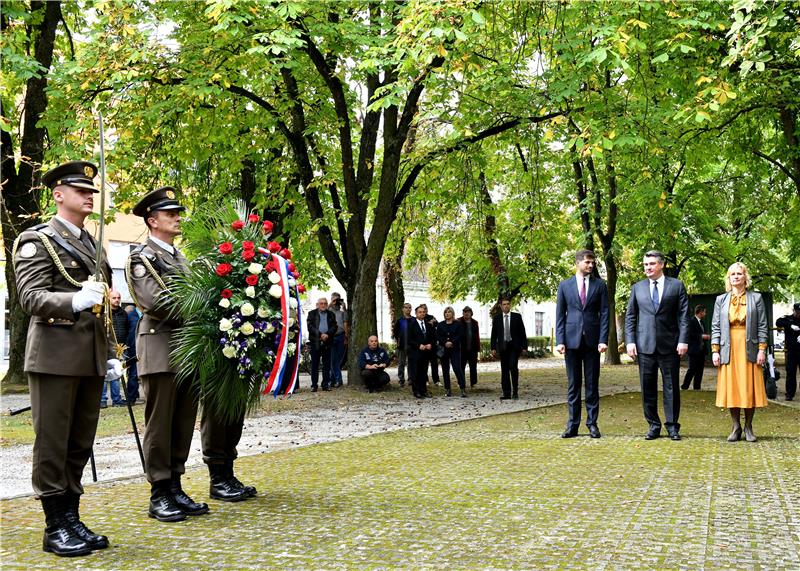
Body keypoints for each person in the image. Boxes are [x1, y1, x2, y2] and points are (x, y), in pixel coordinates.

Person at [13, 160, 117, 556]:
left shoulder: (93, 243)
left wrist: (109, 352)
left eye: (92, 191)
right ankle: (54, 524)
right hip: (54, 358)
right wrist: (74, 299)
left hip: (88, 358)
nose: (90, 196)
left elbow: (101, 307)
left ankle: (72, 517)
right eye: (81, 190)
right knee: (53, 443)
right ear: (58, 194)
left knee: (79, 443)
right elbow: (31, 298)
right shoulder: (36, 240)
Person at [127, 187, 209, 521]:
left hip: (185, 349)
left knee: (183, 421)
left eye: (178, 213)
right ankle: (159, 491)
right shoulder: (141, 257)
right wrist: (202, 305)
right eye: (170, 213)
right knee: (160, 423)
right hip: (160, 347)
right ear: (152, 220)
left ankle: (175, 485)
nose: (177, 218)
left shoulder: (179, 258)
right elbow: (155, 303)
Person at [625, 250, 690, 441]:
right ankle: (653, 425)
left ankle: (672, 426)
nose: (648, 267)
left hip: (670, 346)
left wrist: (683, 340)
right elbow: (630, 316)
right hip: (644, 347)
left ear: (661, 265)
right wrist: (630, 341)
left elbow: (684, 316)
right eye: (645, 264)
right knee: (647, 388)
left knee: (671, 387)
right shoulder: (637, 288)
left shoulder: (676, 286)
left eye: (651, 264)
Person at [711, 263, 768, 442]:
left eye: (739, 274)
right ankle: (735, 426)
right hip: (728, 348)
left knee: (749, 388)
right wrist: (715, 350)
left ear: (745, 277)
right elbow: (715, 326)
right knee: (732, 388)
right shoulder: (721, 300)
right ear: (729, 278)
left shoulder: (756, 298)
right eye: (732, 274)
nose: (736, 277)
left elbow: (762, 326)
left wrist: (762, 349)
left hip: (749, 349)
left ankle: (748, 427)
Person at [555, 249, 609, 439]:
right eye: (587, 262)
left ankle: (592, 424)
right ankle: (573, 425)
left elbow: (605, 314)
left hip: (593, 342)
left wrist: (603, 339)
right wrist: (559, 341)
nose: (591, 265)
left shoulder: (600, 285)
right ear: (578, 262)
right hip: (571, 342)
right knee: (573, 385)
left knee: (592, 385)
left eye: (593, 263)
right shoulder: (564, 286)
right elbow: (560, 315)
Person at [490, 298, 527, 400]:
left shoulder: (517, 317)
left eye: (508, 304)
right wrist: (493, 347)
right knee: (504, 369)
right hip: (503, 347)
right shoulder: (497, 318)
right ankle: (506, 393)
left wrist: (524, 346)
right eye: (504, 304)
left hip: (514, 346)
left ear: (510, 305)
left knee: (513, 366)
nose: (506, 306)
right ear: (501, 306)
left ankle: (515, 391)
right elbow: (494, 334)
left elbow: (522, 332)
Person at [101, 290, 128, 408]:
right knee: (104, 374)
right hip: (106, 348)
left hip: (120, 348)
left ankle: (116, 399)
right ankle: (102, 400)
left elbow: (127, 328)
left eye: (118, 297)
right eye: (114, 298)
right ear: (108, 299)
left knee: (118, 373)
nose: (116, 300)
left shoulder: (123, 313)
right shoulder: (104, 314)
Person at [306, 297, 338, 391]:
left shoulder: (331, 314)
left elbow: (334, 326)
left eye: (325, 303)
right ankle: (314, 385)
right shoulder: (312, 314)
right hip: (315, 342)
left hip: (327, 342)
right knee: (314, 365)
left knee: (327, 365)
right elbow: (310, 327)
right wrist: (321, 335)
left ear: (327, 304)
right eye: (321, 303)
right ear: (318, 304)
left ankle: (325, 385)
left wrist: (327, 334)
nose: (323, 305)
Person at [408, 305, 437, 398]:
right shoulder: (411, 324)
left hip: (426, 353)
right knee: (415, 372)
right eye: (420, 312)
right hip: (415, 352)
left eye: (423, 312)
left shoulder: (429, 325)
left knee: (424, 372)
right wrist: (418, 345)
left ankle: (423, 390)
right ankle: (416, 391)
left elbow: (433, 337)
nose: (422, 313)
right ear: (416, 314)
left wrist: (430, 344)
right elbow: (409, 339)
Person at [437, 307, 467, 397]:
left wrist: (452, 342)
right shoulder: (440, 324)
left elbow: (460, 335)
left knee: (457, 368)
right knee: (445, 370)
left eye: (449, 312)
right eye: (445, 312)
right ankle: (447, 390)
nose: (447, 313)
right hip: (444, 350)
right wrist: (445, 342)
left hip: (455, 349)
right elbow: (437, 335)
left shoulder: (458, 324)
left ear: (452, 314)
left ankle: (462, 388)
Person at [681, 305, 710, 391]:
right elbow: (689, 334)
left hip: (701, 350)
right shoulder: (691, 321)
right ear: (700, 312)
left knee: (700, 370)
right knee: (692, 369)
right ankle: (685, 386)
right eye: (704, 312)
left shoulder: (702, 322)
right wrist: (701, 336)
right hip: (693, 350)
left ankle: (697, 387)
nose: (705, 313)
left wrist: (706, 337)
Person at [775, 303, 800, 401]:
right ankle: (789, 394)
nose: (798, 314)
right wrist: (790, 325)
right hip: (791, 351)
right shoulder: (788, 319)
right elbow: (778, 322)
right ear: (794, 311)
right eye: (797, 312)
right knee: (790, 373)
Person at [328, 292, 349, 388]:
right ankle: (338, 380)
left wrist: (346, 337)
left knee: (338, 360)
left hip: (341, 336)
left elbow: (345, 323)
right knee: (332, 360)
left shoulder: (342, 311)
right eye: (334, 299)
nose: (336, 302)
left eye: (337, 299)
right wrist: (330, 303)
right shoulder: (328, 310)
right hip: (331, 336)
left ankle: (332, 380)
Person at [392, 303, 413, 387]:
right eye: (406, 307)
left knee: (411, 363)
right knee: (401, 363)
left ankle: (411, 379)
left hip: (412, 346)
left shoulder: (414, 320)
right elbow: (395, 332)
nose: (408, 309)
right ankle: (401, 380)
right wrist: (398, 341)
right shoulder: (400, 320)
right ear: (403, 309)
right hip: (402, 345)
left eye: (409, 308)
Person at [459, 306, 480, 387]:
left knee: (473, 367)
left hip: (472, 349)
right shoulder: (459, 321)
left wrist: (478, 348)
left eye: (468, 312)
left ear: (471, 313)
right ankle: (461, 382)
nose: (466, 313)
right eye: (464, 312)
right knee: (461, 367)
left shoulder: (475, 322)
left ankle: (473, 383)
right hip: (462, 349)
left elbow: (477, 336)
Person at [125, 304, 142, 403]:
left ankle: (137, 394)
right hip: (133, 348)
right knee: (133, 374)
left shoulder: (148, 315)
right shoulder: (130, 316)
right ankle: (131, 398)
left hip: (145, 347)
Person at [421, 304, 441, 385]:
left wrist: (434, 322)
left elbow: (438, 325)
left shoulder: (431, 317)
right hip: (423, 345)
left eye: (426, 308)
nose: (424, 310)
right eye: (423, 309)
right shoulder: (418, 319)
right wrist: (429, 323)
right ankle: (425, 380)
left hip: (432, 343)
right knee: (424, 364)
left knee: (434, 363)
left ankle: (436, 380)